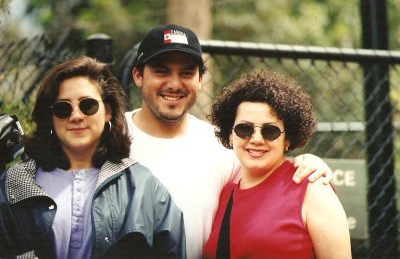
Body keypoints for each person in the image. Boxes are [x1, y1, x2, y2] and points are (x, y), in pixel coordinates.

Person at [126, 23, 335, 259]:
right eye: (161, 71)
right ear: (137, 75)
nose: (174, 84)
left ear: (200, 79)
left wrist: (311, 162)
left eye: (186, 73)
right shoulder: (108, 138)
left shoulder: (222, 147)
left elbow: (268, 179)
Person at [0, 56, 186, 259]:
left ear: (107, 111)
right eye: (63, 108)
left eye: (88, 105)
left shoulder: (143, 187)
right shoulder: (13, 184)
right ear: (50, 117)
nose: (76, 115)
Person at [203, 70, 352, 258]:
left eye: (270, 131)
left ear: (287, 139)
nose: (256, 139)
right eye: (244, 129)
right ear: (230, 135)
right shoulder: (224, 193)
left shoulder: (311, 188)